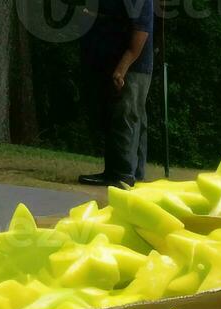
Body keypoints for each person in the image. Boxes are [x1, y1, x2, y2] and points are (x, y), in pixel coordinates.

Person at [78, 0, 155, 189]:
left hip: (133, 65)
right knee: (129, 115)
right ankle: (130, 172)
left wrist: (123, 67)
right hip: (120, 60)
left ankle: (122, 174)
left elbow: (141, 31)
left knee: (125, 114)